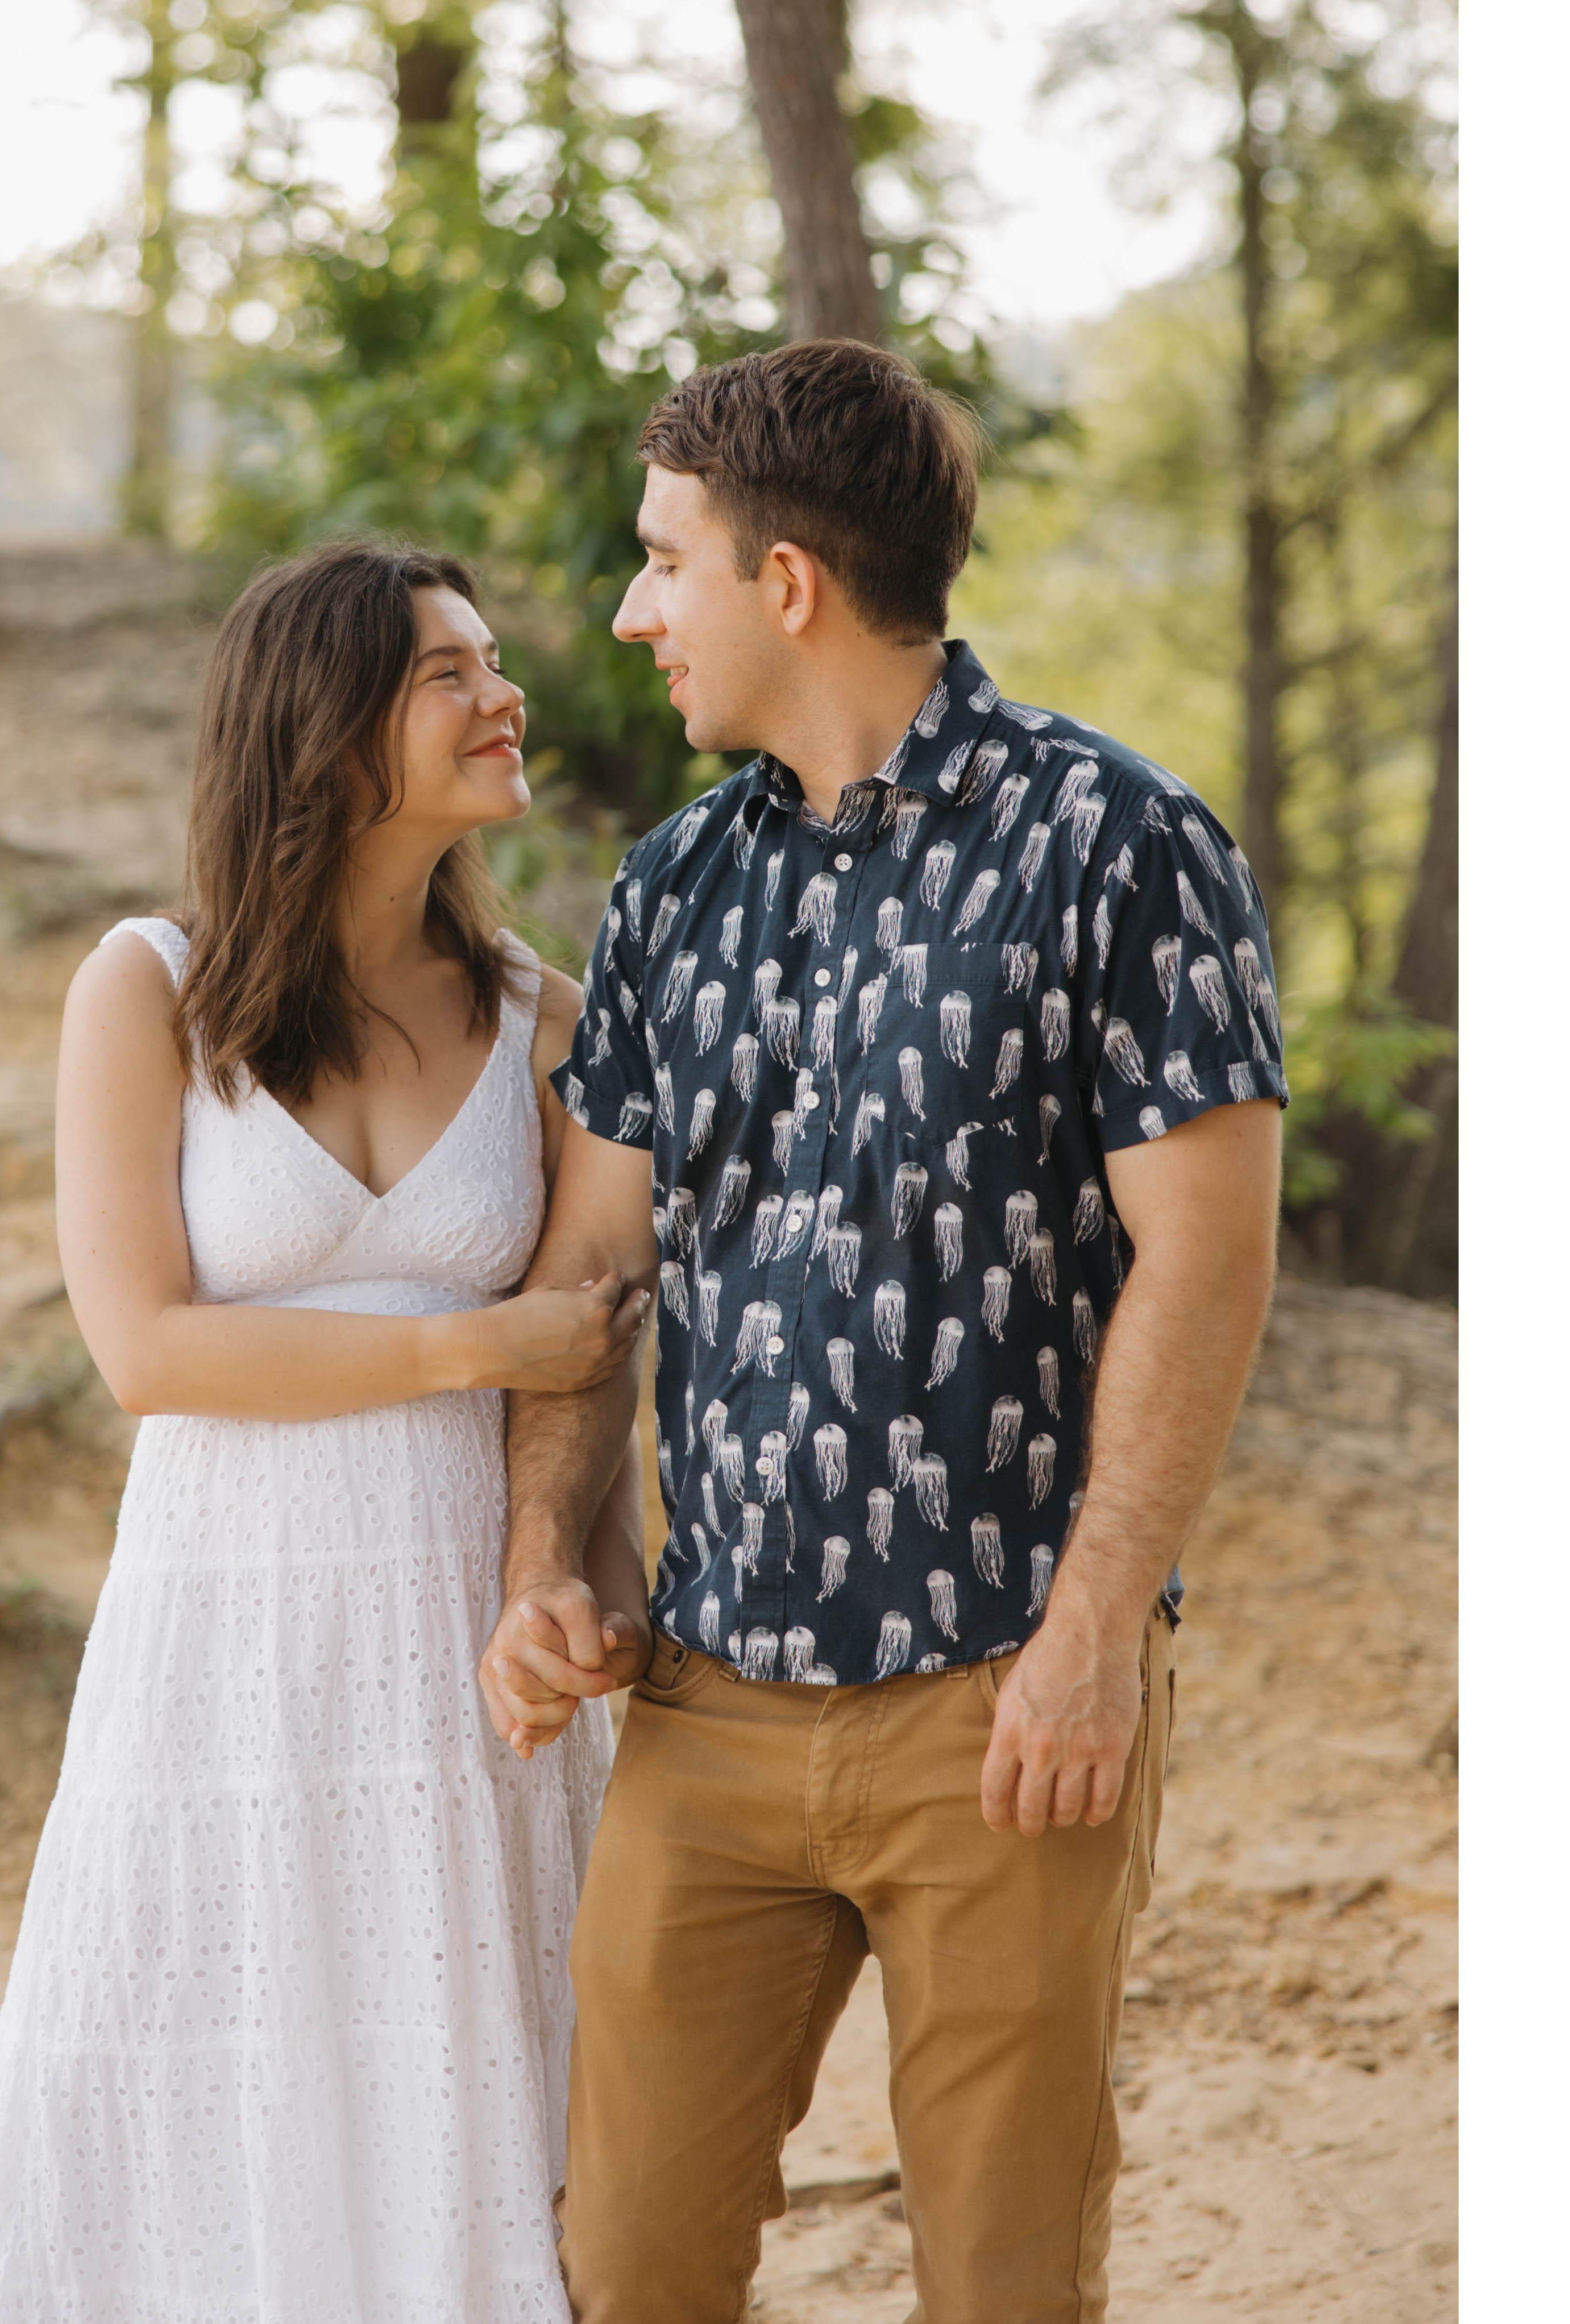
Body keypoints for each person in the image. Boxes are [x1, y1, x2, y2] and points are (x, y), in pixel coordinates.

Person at [479, 341, 1287, 2323]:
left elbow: (1207, 1259)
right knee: (628, 2261)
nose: (632, 608)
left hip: (1008, 1710)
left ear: (788, 585)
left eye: (666, 560)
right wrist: (535, 1565)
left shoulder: (1124, 844)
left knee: (1007, 2280)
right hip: (709, 1706)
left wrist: (1095, 1634)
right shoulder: (671, 893)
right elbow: (595, 1282)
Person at [0, 540, 653, 2322]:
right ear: (326, 732)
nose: (504, 696)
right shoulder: (148, 991)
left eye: (494, 664)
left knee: (467, 2094)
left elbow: (594, 1358)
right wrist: (475, 1337)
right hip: (224, 1634)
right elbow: (149, 1350)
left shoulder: (540, 1016)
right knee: (180, 2063)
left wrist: (578, 1573)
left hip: (454, 1649)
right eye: (450, 675)